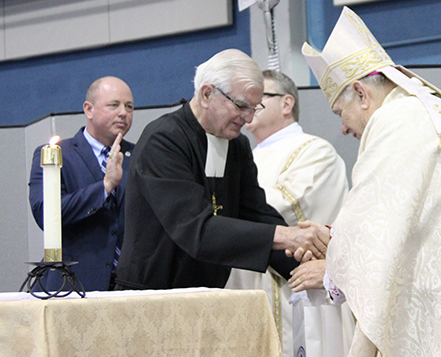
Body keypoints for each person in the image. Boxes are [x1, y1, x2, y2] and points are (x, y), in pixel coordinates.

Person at [290, 6, 441, 356]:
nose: (343, 128)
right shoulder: (432, 110)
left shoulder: (395, 122)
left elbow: (376, 241)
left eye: (340, 113)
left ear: (360, 93)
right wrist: (337, 239)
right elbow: (411, 216)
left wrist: (332, 271)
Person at [115, 49, 330, 291]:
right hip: (152, 294)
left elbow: (256, 213)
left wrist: (309, 265)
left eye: (254, 108)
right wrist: (285, 236)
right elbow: (196, 229)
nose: (248, 119)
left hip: (209, 294)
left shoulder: (236, 144)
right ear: (207, 94)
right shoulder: (164, 140)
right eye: (241, 106)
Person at [225, 69, 351, 357]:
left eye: (259, 98)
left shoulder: (315, 150)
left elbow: (283, 208)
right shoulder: (244, 155)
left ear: (286, 103)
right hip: (247, 290)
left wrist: (219, 202)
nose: (249, 107)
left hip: (294, 288)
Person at [29, 76, 135, 291]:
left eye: (129, 106)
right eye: (114, 105)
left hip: (129, 287)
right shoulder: (56, 156)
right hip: (72, 285)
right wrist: (104, 188)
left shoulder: (141, 155)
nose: (123, 112)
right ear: (89, 109)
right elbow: (46, 214)